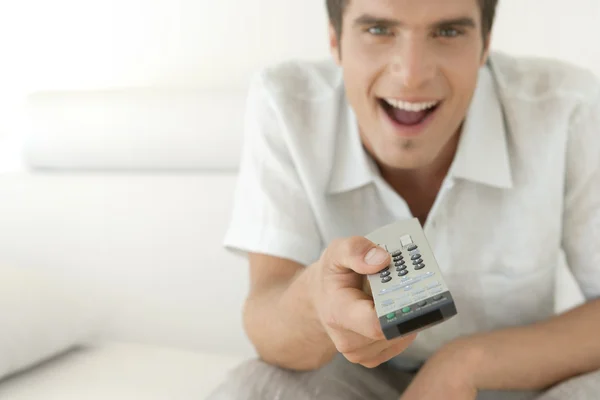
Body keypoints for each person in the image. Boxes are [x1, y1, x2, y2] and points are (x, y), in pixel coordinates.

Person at [208, 0, 600, 398]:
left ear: (485, 45)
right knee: (255, 387)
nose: (412, 75)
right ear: (335, 41)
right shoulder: (286, 103)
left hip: (513, 378)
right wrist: (315, 300)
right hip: (355, 380)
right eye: (379, 30)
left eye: (448, 32)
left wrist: (463, 365)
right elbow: (267, 325)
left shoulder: (568, 107)